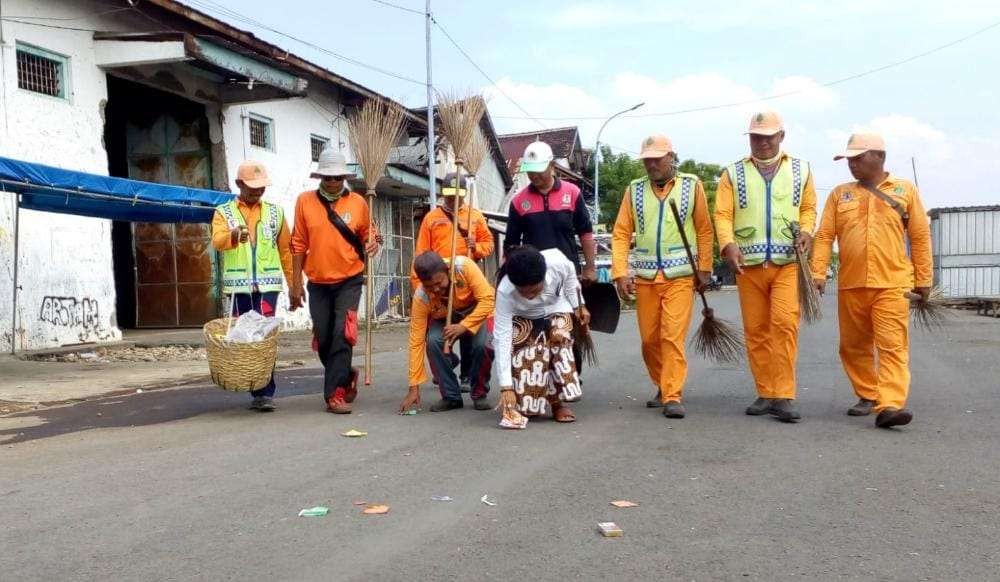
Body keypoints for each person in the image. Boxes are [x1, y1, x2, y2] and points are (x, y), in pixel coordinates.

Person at [811, 133, 932, 429]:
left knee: (892, 346)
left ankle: (890, 404)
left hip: (893, 284)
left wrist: (924, 278)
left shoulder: (905, 190)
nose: (851, 164)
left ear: (878, 156)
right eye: (848, 159)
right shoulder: (840, 194)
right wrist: (817, 272)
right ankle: (867, 394)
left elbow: (919, 236)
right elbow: (825, 235)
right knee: (852, 346)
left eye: (858, 158)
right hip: (851, 284)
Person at [714, 111, 817, 423]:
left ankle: (783, 394)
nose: (762, 142)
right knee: (756, 330)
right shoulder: (732, 173)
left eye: (768, 136)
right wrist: (727, 244)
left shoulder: (802, 169)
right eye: (756, 137)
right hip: (749, 264)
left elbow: (809, 207)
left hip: (787, 262)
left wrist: (808, 232)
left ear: (781, 137)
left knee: (784, 325)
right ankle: (765, 391)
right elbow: (722, 214)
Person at [611, 135, 714, 418]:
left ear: (671, 157)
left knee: (671, 336)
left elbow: (704, 229)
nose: (652, 163)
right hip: (645, 277)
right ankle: (662, 382)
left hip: (680, 275)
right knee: (649, 340)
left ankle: (672, 394)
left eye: (657, 158)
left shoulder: (692, 186)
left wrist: (704, 267)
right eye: (647, 159)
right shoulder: (634, 190)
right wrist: (620, 272)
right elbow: (620, 233)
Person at [289, 148, 380, 414]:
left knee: (343, 332)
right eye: (328, 178)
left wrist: (372, 242)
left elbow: (367, 234)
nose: (333, 182)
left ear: (344, 178)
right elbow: (297, 244)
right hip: (317, 281)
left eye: (337, 177)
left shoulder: (359, 203)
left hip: (350, 278)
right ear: (320, 177)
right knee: (324, 337)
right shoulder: (304, 201)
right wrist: (295, 284)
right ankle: (345, 372)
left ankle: (335, 394)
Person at [504, 140, 598, 374]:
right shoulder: (519, 201)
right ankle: (544, 375)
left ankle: (571, 376)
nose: (534, 176)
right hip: (535, 277)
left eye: (539, 171)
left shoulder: (572, 193)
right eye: (531, 172)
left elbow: (586, 233)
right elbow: (512, 244)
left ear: (552, 166)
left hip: (568, 274)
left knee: (570, 325)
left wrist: (590, 267)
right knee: (539, 327)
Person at [211, 160, 293, 412]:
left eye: (261, 187)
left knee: (264, 338)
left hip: (268, 286)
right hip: (239, 288)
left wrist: (293, 285)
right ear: (239, 184)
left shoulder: (275, 213)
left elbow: (286, 251)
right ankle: (251, 384)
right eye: (252, 187)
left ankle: (265, 392)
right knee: (244, 338)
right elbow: (217, 241)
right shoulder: (223, 212)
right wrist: (234, 236)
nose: (258, 191)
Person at [410, 172, 494, 392]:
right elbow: (421, 253)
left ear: (464, 194)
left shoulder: (475, 216)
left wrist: (475, 246)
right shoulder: (432, 218)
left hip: (464, 279)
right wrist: (421, 287)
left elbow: (488, 245)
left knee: (474, 340)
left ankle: (471, 379)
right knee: (435, 340)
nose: (452, 200)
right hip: (437, 285)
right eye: (448, 195)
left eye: (456, 196)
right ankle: (449, 390)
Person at [495, 246, 590, 425]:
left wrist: (580, 306)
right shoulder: (505, 291)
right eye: (523, 292)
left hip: (556, 308)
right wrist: (505, 386)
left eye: (535, 289)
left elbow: (570, 279)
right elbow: (502, 338)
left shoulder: (558, 261)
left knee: (558, 338)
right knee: (535, 353)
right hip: (524, 318)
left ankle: (557, 404)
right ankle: (530, 402)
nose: (530, 296)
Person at [399, 251, 495, 413]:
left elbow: (487, 300)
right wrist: (413, 387)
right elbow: (415, 342)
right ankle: (451, 396)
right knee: (433, 342)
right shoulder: (421, 297)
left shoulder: (464, 267)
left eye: (439, 282)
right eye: (429, 286)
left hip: (477, 312)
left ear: (447, 271)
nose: (436, 289)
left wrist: (464, 325)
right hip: (443, 318)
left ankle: (479, 393)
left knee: (483, 345)